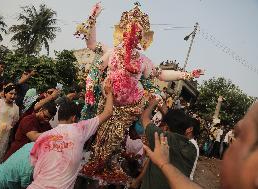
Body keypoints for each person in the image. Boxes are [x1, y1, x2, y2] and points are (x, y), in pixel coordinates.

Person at [76, 2, 203, 183]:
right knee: (101, 134)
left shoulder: (144, 61)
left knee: (116, 137)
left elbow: (160, 74)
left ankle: (108, 164)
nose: (135, 33)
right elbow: (91, 45)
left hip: (130, 106)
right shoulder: (111, 53)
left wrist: (186, 74)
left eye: (139, 31)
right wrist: (93, 17)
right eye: (131, 29)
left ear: (143, 37)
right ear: (124, 31)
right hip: (108, 102)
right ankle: (97, 163)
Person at [144, 101, 258, 189]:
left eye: (239, 136)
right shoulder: (188, 146)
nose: (232, 144)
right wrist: (164, 164)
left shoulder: (187, 145)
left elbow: (144, 119)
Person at [27, 79, 113, 189]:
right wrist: (109, 92)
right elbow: (108, 112)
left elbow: (34, 164)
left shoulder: (44, 136)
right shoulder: (79, 129)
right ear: (73, 118)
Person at [139, 97, 197, 189]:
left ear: (165, 127)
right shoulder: (192, 149)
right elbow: (174, 124)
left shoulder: (162, 138)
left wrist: (152, 104)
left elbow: (144, 118)